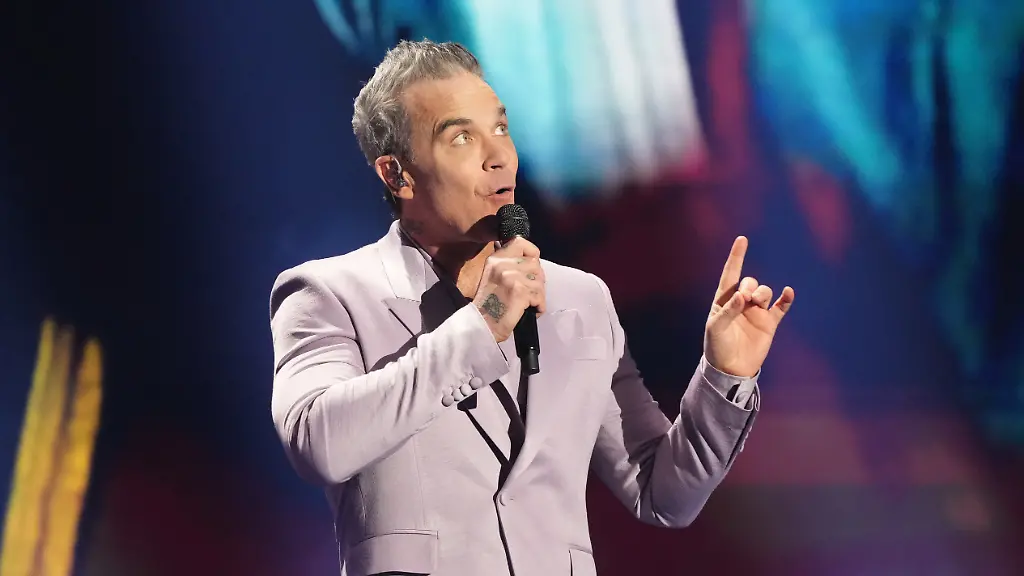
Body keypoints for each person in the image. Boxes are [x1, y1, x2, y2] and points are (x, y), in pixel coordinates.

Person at [269, 39, 795, 576]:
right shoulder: (329, 292)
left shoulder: (582, 300)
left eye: (500, 128)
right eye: (461, 137)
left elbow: (662, 494)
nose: (498, 155)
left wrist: (725, 374)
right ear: (397, 174)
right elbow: (319, 444)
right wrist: (482, 326)